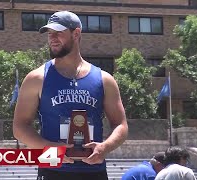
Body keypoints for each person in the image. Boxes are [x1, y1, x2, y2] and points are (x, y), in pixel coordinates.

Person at [13, 10, 128, 180]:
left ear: (76, 33)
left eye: (58, 32)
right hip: (52, 169)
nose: (52, 38)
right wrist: (50, 148)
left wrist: (104, 147)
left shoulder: (104, 79)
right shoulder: (36, 78)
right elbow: (20, 127)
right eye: (49, 33)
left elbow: (121, 125)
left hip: (93, 172)